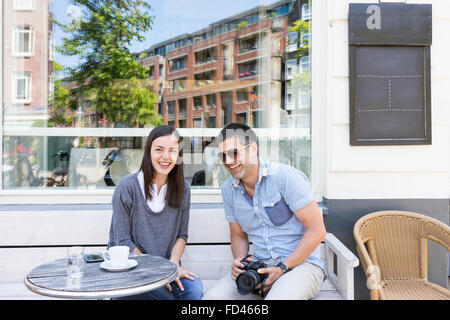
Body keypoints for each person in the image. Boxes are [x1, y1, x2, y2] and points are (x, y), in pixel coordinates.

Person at [203, 123, 326, 300]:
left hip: (302, 266)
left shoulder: (287, 178)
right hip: (259, 268)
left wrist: (283, 268)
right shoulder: (228, 189)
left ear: (253, 149)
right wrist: (239, 261)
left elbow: (317, 230)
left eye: (234, 152)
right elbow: (238, 235)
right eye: (223, 156)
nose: (229, 161)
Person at [107, 125, 203, 300]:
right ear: (148, 152)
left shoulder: (183, 189)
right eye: (159, 149)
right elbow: (122, 242)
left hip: (166, 271)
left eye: (172, 150)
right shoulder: (127, 187)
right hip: (131, 271)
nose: (166, 157)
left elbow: (182, 235)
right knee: (166, 298)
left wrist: (173, 265)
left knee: (194, 289)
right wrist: (156, 272)